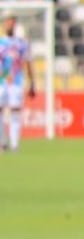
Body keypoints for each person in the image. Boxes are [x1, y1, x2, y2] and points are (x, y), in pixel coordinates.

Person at [0, 16, 35, 153]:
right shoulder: (1, 42)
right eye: (7, 22)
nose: (9, 24)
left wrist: (32, 82)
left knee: (15, 111)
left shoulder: (21, 43)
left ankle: (15, 145)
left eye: (12, 22)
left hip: (16, 81)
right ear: (4, 24)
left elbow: (28, 62)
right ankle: (2, 143)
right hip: (1, 82)